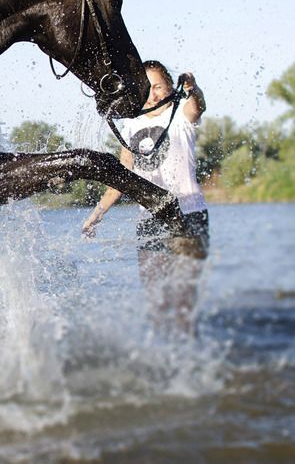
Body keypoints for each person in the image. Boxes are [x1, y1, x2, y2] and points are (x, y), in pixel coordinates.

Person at [81, 60, 209, 336]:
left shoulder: (181, 114)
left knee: (184, 301)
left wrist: (193, 88)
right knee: (157, 303)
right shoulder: (131, 126)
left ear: (169, 87)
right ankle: (164, 364)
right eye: (148, 87)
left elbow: (198, 106)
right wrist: (97, 214)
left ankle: (191, 364)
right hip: (149, 220)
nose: (153, 93)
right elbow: (122, 178)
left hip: (188, 214)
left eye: (159, 86)